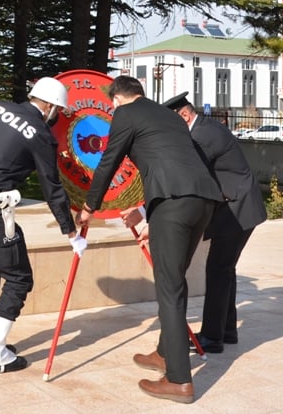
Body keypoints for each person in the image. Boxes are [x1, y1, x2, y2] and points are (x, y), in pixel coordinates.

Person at [76, 76, 222, 404]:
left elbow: (109, 161)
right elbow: (171, 158)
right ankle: (164, 353)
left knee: (169, 288)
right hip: (203, 201)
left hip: (173, 202)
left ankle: (179, 381)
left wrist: (88, 207)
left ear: (116, 100)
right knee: (174, 281)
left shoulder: (125, 114)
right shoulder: (170, 116)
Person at [0, 77, 85, 376]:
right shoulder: (39, 133)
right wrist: (70, 230)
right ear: (49, 107)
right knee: (19, 278)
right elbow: (51, 186)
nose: (57, 117)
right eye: (58, 111)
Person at [130, 92, 267, 354]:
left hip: (237, 209)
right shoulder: (201, 130)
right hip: (233, 207)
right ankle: (226, 331)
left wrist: (147, 213)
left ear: (184, 115)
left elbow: (183, 178)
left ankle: (213, 338)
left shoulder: (202, 136)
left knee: (218, 269)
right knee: (224, 269)